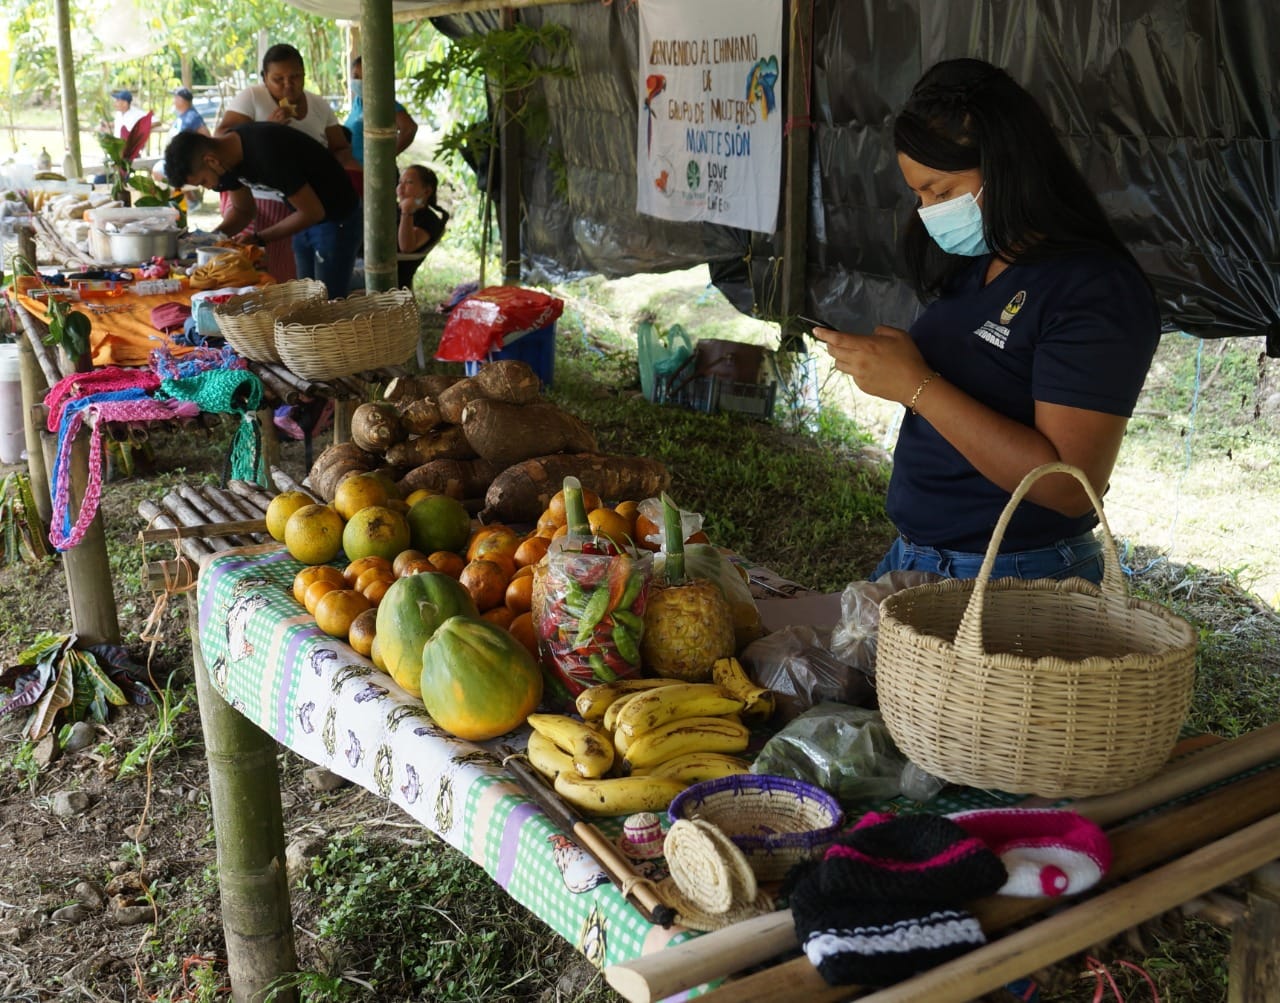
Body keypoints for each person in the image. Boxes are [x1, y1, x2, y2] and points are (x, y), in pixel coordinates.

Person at [813, 57, 1160, 585]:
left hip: (1011, 575)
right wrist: (895, 364)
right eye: (919, 195)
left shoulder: (1094, 288)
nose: (928, 211)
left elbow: (1070, 486)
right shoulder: (982, 258)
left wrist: (915, 384)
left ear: (1005, 165)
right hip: (921, 557)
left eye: (942, 191)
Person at [163, 125, 360, 297]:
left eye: (203, 182)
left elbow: (313, 212)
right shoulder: (226, 162)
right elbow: (243, 211)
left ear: (211, 161)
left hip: (337, 217)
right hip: (306, 217)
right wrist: (213, 240)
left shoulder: (267, 154)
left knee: (329, 301)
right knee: (308, 296)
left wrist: (259, 239)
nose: (208, 187)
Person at [216, 43, 359, 280]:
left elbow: (340, 149)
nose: (287, 85)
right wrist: (266, 129)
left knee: (292, 278)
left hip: (305, 205)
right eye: (278, 79)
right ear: (264, 78)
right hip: (259, 203)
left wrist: (350, 172)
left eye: (294, 77)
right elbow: (221, 137)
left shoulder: (318, 105)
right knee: (255, 272)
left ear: (304, 75)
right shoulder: (253, 97)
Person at [344, 55, 418, 164]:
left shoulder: (383, 102)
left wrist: (387, 158)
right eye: (356, 76)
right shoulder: (358, 102)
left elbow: (409, 128)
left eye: (365, 77)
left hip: (372, 174)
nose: (359, 81)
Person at [395, 165, 448, 288]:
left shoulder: (429, 220)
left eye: (409, 183)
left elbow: (406, 247)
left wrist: (407, 212)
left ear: (427, 191)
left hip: (386, 274)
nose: (400, 188)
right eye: (400, 182)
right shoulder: (393, 207)